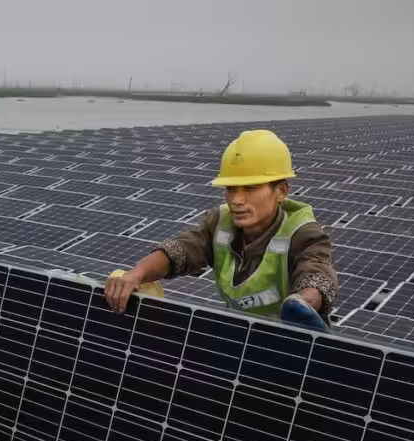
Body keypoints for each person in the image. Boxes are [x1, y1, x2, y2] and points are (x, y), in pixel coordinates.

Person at [104, 129, 337, 332]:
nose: (236, 200)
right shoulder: (220, 222)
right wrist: (135, 274)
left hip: (294, 345)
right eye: (231, 189)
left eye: (250, 188)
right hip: (242, 335)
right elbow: (182, 249)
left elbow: (316, 273)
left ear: (281, 191)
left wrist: (302, 304)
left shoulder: (303, 233)